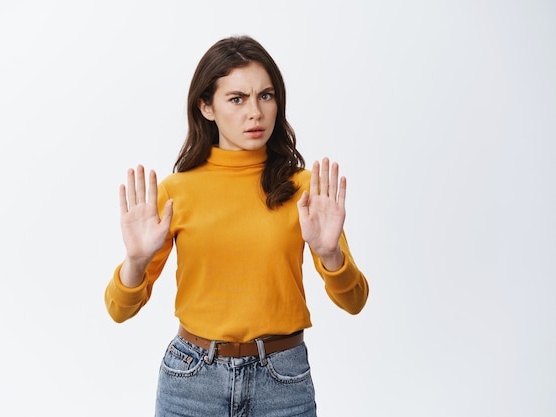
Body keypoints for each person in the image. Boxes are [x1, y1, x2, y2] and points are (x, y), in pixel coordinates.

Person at [104, 35, 369, 417]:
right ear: (206, 107)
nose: (255, 113)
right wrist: (135, 261)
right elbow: (118, 309)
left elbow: (355, 301)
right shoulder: (176, 192)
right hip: (191, 381)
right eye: (236, 99)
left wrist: (330, 255)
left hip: (283, 381)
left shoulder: (306, 190)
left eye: (266, 95)